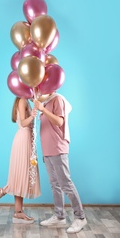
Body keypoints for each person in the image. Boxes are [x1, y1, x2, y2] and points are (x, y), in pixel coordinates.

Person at [34, 92, 87, 233]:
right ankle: (59, 216)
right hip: (47, 149)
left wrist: (43, 109)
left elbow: (59, 121)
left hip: (58, 148)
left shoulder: (58, 99)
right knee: (54, 184)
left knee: (65, 184)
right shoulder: (45, 101)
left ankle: (80, 217)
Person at [0, 97, 41, 224]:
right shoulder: (22, 100)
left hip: (27, 140)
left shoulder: (26, 100)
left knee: (22, 177)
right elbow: (23, 123)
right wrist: (33, 115)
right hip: (23, 140)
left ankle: (18, 212)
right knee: (20, 176)